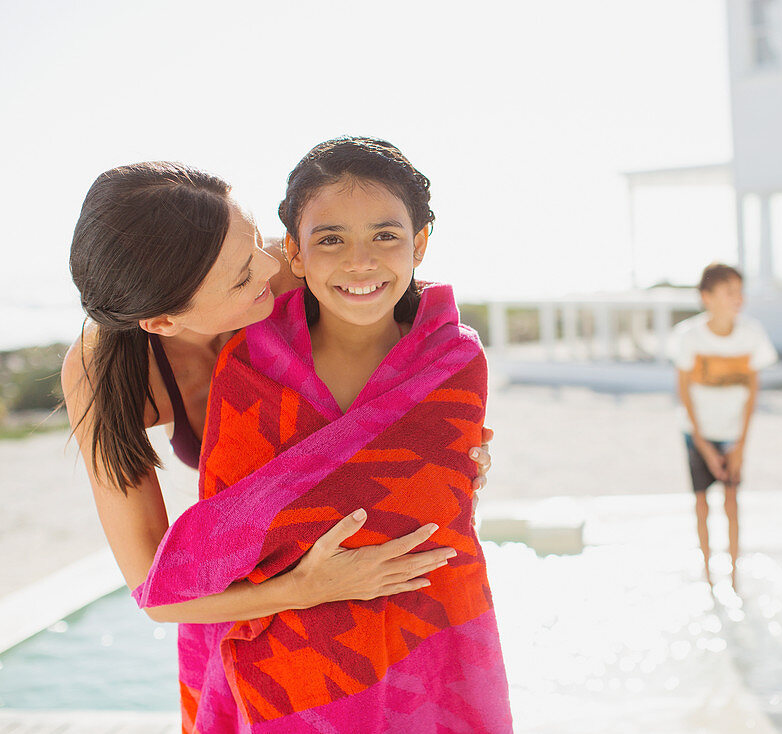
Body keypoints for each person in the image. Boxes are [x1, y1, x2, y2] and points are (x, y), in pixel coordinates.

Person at [136, 137, 512, 731]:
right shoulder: (250, 366)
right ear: (295, 251)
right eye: (330, 239)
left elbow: (433, 514)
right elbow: (225, 536)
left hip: (429, 642)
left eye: (385, 236)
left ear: (419, 245)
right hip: (287, 666)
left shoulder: (452, 359)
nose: (359, 261)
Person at [62, 161, 493, 626]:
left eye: (253, 239)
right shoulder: (103, 376)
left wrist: (439, 442)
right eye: (244, 273)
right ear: (165, 322)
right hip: (249, 592)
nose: (271, 263)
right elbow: (155, 591)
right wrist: (303, 589)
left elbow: (405, 341)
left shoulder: (296, 273)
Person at [673, 263, 777, 590]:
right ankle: (707, 577)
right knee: (701, 503)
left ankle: (734, 578)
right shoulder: (688, 336)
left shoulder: (752, 334)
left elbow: (752, 391)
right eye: (729, 291)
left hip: (733, 434)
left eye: (739, 291)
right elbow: (684, 390)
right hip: (696, 434)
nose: (738, 298)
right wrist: (702, 443)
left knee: (732, 502)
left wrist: (741, 445)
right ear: (707, 297)